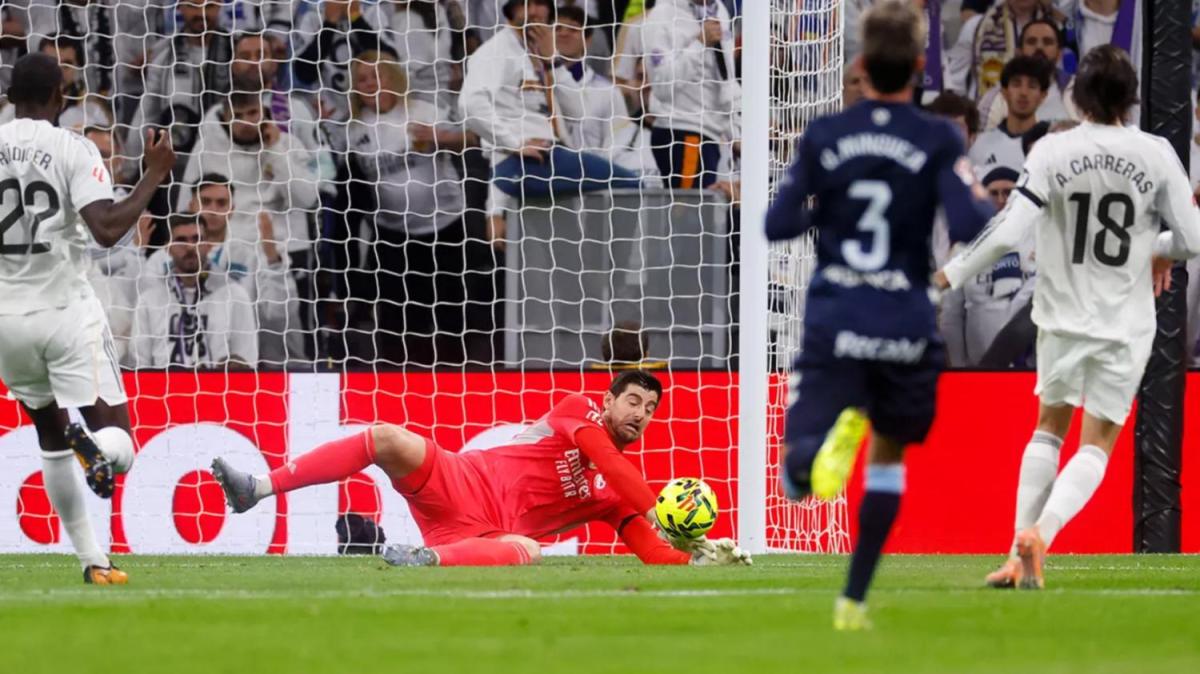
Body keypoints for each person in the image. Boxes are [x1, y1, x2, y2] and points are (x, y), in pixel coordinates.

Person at [934, 45, 1200, 589]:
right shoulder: (1156, 154)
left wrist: (949, 275)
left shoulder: (1054, 152)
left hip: (1058, 315)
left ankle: (1015, 550)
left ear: (1076, 97)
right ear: (1132, 99)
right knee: (1096, 444)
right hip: (1125, 323)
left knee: (1048, 429)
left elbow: (1009, 231)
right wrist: (1156, 245)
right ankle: (1044, 534)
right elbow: (1193, 240)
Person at [765, 1, 994, 630]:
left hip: (837, 316)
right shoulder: (937, 137)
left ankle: (806, 461)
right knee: (888, 458)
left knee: (800, 469)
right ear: (921, 67)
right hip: (904, 322)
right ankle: (853, 600)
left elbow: (776, 223)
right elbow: (975, 222)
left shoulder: (826, 136)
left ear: (860, 67)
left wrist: (827, 211)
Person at [211, 371, 752, 567]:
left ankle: (423, 559)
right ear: (608, 401)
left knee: (531, 549)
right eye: (633, 400)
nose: (641, 414)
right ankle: (256, 488)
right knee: (387, 438)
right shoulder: (575, 412)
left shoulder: (612, 496)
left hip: (481, 535)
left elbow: (652, 552)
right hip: (458, 479)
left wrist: (697, 558)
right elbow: (609, 460)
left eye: (651, 409)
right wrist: (662, 508)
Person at [0, 52, 174, 584]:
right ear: (60, 98)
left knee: (50, 435)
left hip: (7, 322)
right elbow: (106, 228)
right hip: (66, 313)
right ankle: (95, 448)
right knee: (118, 444)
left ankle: (92, 561)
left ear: (10, 97)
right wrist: (153, 176)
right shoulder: (72, 147)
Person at [130, 214, 259, 369]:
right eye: (181, 240)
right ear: (167, 248)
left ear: (209, 245)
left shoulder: (235, 295)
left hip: (218, 390)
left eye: (197, 239)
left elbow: (247, 359)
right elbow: (138, 365)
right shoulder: (149, 299)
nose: (190, 247)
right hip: (163, 390)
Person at [641, 0, 740, 189]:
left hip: (711, 134)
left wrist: (734, 131)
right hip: (681, 130)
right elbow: (662, 86)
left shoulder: (720, 11)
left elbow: (725, 79)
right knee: (689, 215)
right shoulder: (661, 16)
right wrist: (700, 44)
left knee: (704, 215)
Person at [977, 19, 1075, 130]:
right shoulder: (995, 98)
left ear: (1059, 53)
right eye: (1031, 42)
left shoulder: (1079, 90)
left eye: (1047, 42)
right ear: (1019, 52)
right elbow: (985, 143)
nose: (1039, 47)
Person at [969, 55, 1051, 177]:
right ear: (1004, 92)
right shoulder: (981, 145)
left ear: (1043, 96)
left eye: (1032, 86)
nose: (1023, 92)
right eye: (1016, 84)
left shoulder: (1052, 145)